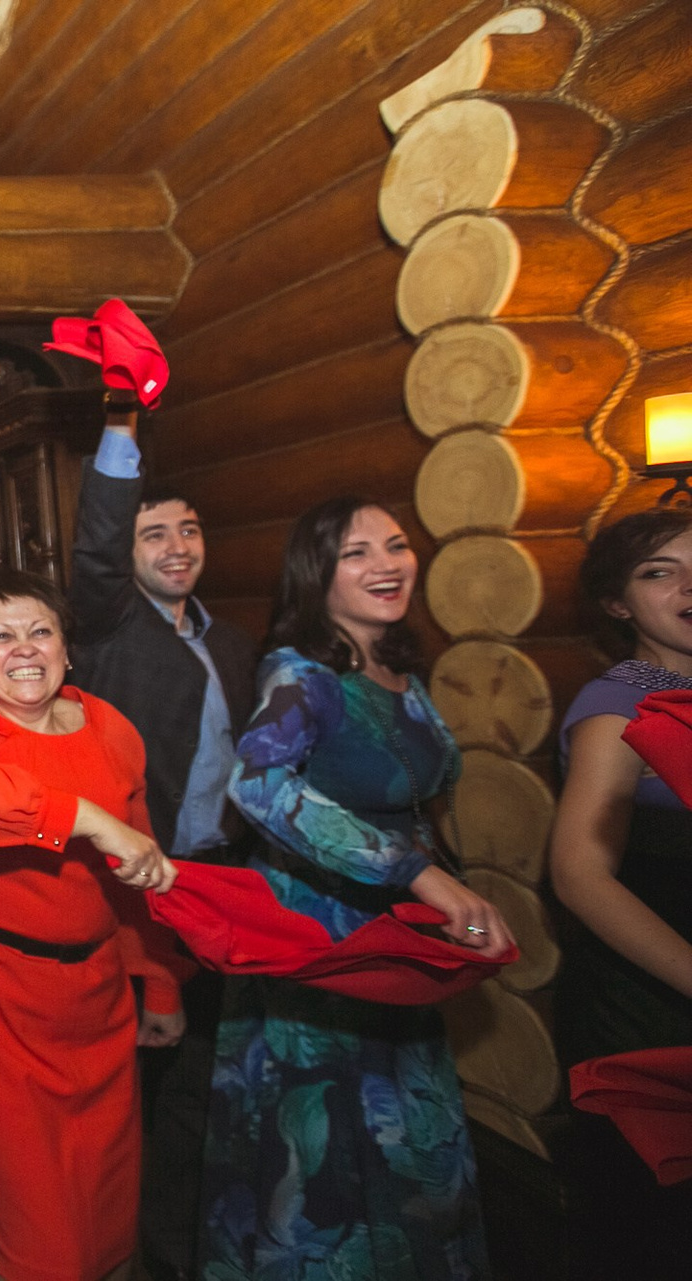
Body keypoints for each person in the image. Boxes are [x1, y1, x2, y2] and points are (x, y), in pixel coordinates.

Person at [206, 496, 512, 1281]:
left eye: (397, 545)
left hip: (397, 932)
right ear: (317, 575)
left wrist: (442, 889)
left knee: (408, 1132)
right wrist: (415, 872)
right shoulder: (301, 675)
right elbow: (258, 785)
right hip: (325, 937)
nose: (386, 564)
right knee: (333, 1148)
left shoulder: (398, 670)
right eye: (356, 552)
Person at [0, 566, 188, 1281]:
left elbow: (141, 872)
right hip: (3, 1011)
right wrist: (82, 818)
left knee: (110, 1215)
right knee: (40, 1234)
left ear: (67, 647)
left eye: (41, 631)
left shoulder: (110, 726)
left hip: (101, 1006)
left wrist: (160, 982)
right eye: (0, 636)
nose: (25, 648)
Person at [66, 392, 256, 1279]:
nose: (177, 546)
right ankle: (156, 1252)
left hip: (233, 882)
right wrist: (120, 424)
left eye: (188, 530)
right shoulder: (111, 627)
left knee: (224, 1074)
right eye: (154, 535)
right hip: (149, 887)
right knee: (161, 1084)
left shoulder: (236, 644)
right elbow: (96, 549)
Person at [549, 508, 692, 1275]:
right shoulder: (620, 706)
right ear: (617, 603)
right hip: (647, 1006)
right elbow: (578, 873)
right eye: (659, 572)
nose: (689, 586)